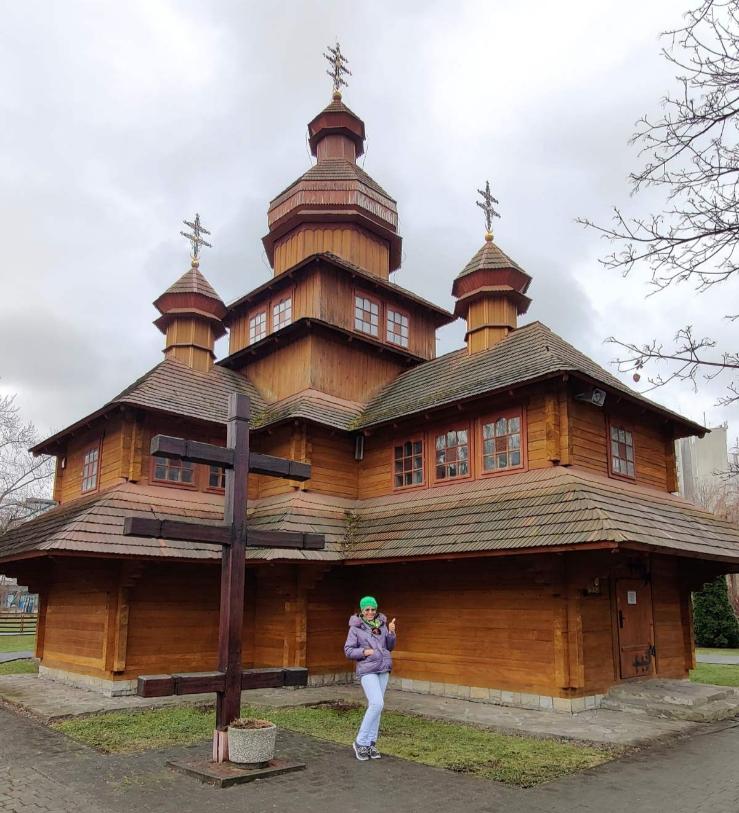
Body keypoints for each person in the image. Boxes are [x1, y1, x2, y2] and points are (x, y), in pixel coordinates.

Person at [344, 595, 397, 761]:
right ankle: (360, 742)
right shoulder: (355, 628)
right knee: (377, 703)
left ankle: (371, 743)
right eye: (367, 609)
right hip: (367, 669)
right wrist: (364, 652)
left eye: (373, 609)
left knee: (377, 708)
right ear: (361, 610)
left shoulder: (381, 624)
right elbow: (348, 650)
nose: (370, 612)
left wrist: (391, 632)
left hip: (383, 668)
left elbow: (389, 646)